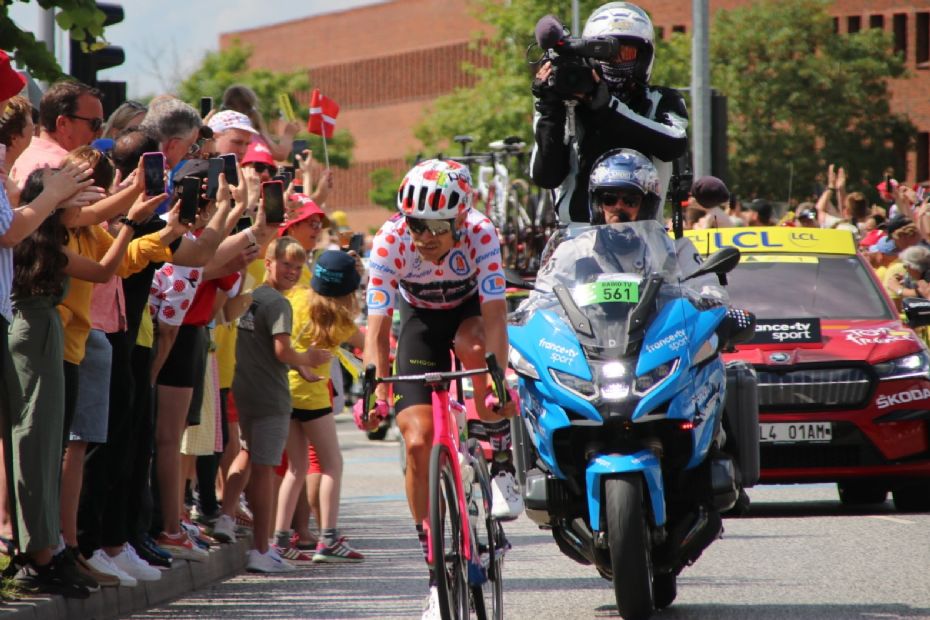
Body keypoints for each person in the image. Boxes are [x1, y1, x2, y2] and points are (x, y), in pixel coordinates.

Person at [357, 159, 520, 618]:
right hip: (420, 320)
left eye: (436, 227)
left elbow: (495, 320)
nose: (425, 237)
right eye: (416, 224)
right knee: (416, 441)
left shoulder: (482, 233)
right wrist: (376, 396)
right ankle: (433, 567)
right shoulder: (390, 241)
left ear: (461, 221)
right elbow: (376, 329)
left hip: (469, 310)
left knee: (474, 346)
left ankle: (500, 455)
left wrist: (497, 383)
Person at [215, 236, 332, 573]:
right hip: (270, 396)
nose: (293, 272)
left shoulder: (251, 297)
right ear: (268, 263)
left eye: (298, 266)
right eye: (286, 265)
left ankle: (225, 516)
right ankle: (262, 550)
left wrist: (302, 367)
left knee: (248, 453)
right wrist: (307, 357)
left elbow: (267, 348)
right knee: (266, 470)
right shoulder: (280, 304)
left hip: (245, 389)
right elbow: (282, 351)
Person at [530, 1, 688, 224]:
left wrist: (607, 107)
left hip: (645, 237)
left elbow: (674, 144)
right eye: (605, 52)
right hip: (577, 239)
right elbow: (546, 176)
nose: (614, 61)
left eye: (625, 53)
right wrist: (549, 110)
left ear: (644, 56)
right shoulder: (567, 98)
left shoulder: (662, 99)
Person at [10, 80, 104, 185]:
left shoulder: (18, 155)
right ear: (63, 123)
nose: (100, 133)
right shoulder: (63, 170)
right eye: (95, 124)